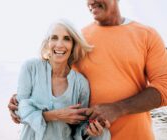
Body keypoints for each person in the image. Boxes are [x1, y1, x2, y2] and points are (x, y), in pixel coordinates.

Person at [9, 0, 167, 140]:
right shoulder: (79, 40)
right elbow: (56, 80)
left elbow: (164, 87)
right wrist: (22, 99)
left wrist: (118, 108)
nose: (90, 1)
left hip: (136, 136)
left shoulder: (147, 35)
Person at [13, 20, 111, 140]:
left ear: (73, 45)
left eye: (66, 38)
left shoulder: (81, 83)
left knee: (104, 134)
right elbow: (18, 113)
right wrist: (56, 115)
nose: (59, 44)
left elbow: (78, 129)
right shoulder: (31, 68)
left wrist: (91, 129)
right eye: (54, 38)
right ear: (47, 43)